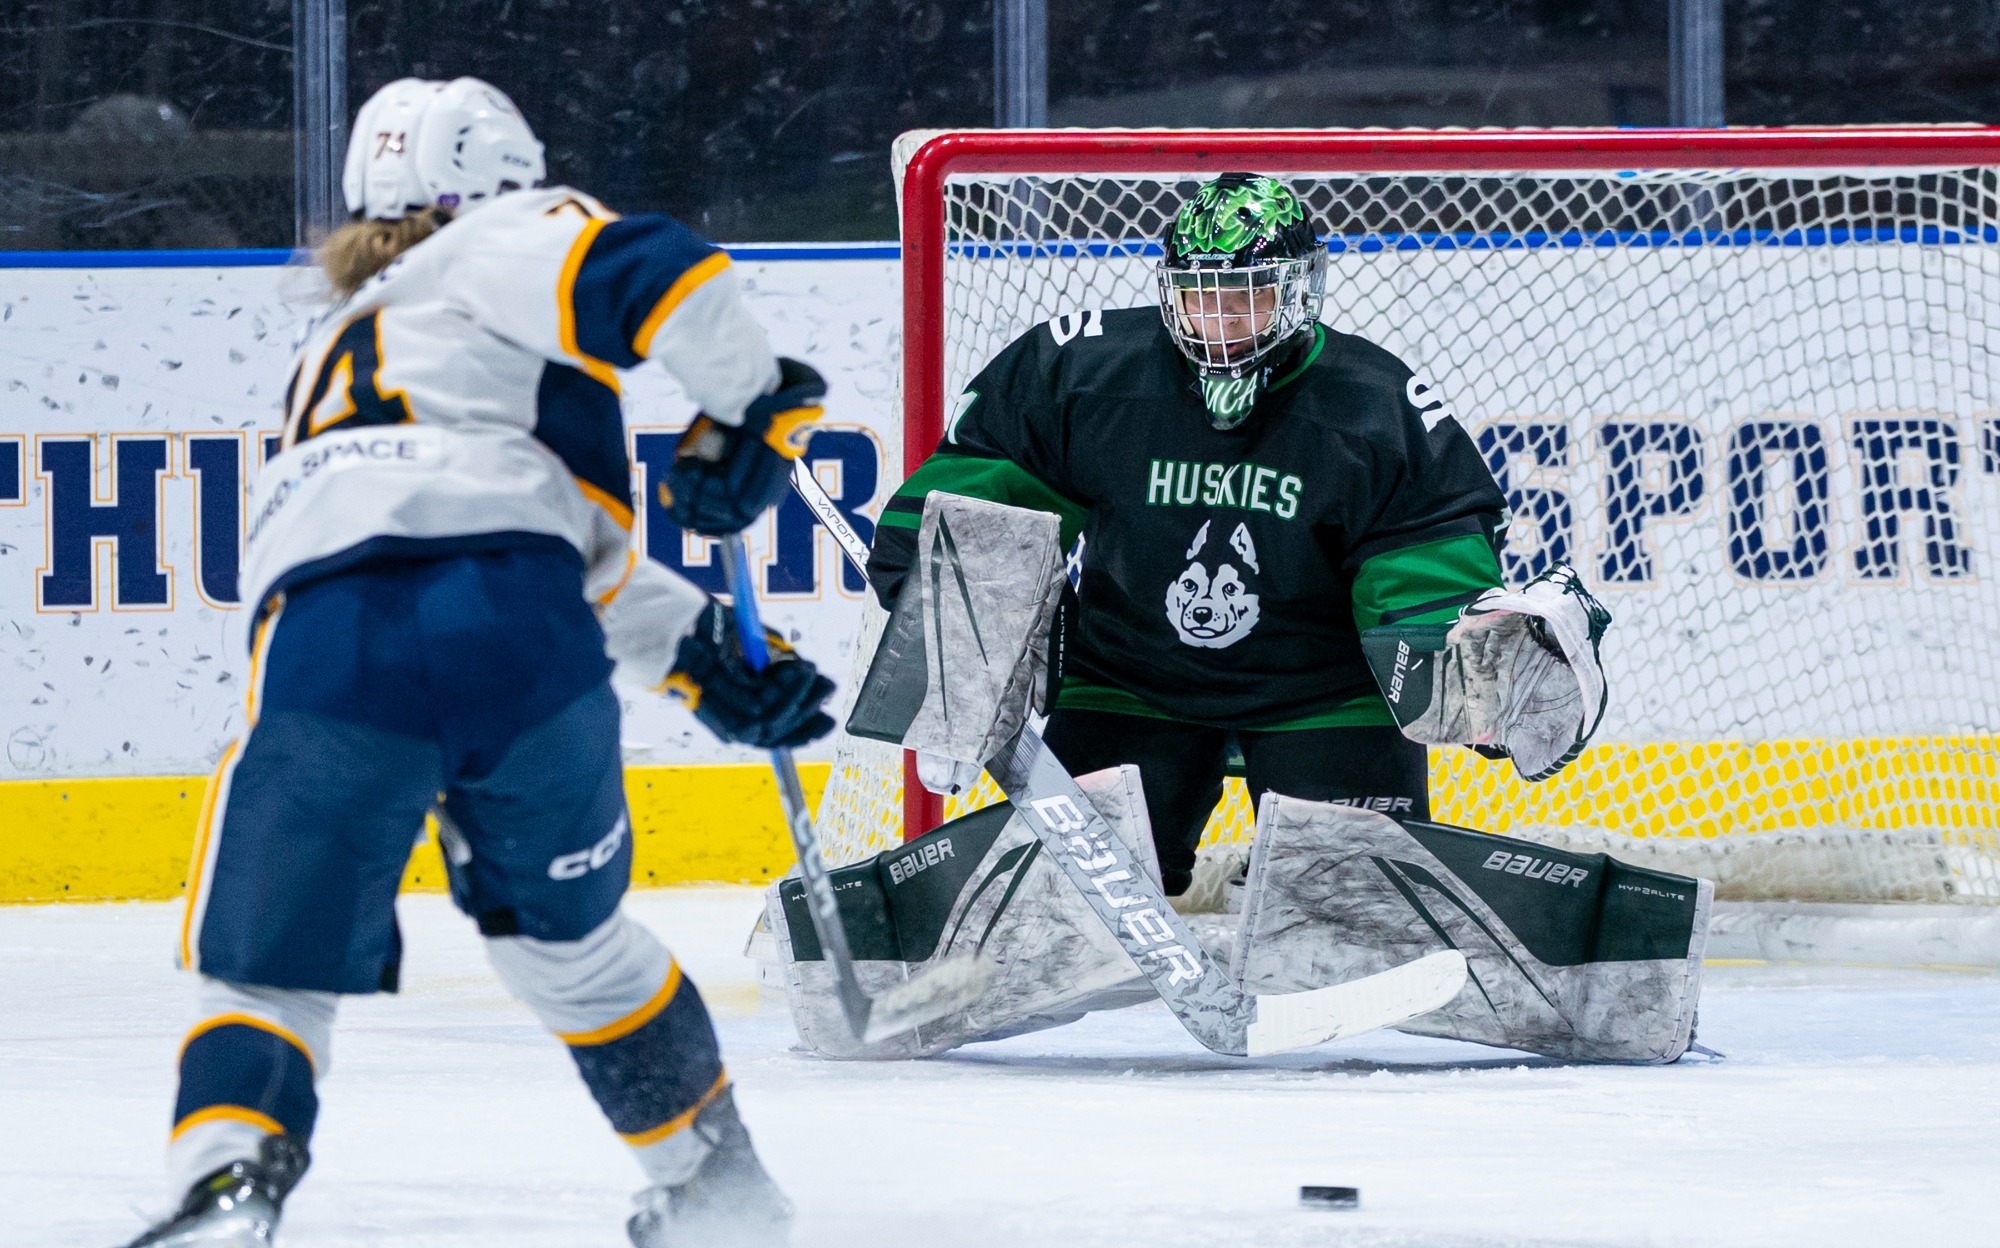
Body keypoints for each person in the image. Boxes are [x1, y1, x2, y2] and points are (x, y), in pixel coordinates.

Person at [121, 77, 830, 1248]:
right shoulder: (505, 237)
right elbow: (662, 274)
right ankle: (717, 1190)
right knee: (576, 953)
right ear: (504, 180)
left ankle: (230, 1182)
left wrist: (700, 654)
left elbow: (493, 524)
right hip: (521, 639)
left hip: (334, 651)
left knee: (266, 974)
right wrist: (756, 405)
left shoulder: (336, 356)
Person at [866, 172, 1517, 898]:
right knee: (1062, 901)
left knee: (1348, 907)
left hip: (1324, 691)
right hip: (1131, 680)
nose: (1224, 320)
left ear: (1300, 290)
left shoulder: (1371, 400)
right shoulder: (1084, 372)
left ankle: (1297, 876)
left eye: (1249, 295)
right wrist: (950, 643)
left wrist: (1461, 676)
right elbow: (983, 495)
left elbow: (1420, 546)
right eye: (1202, 298)